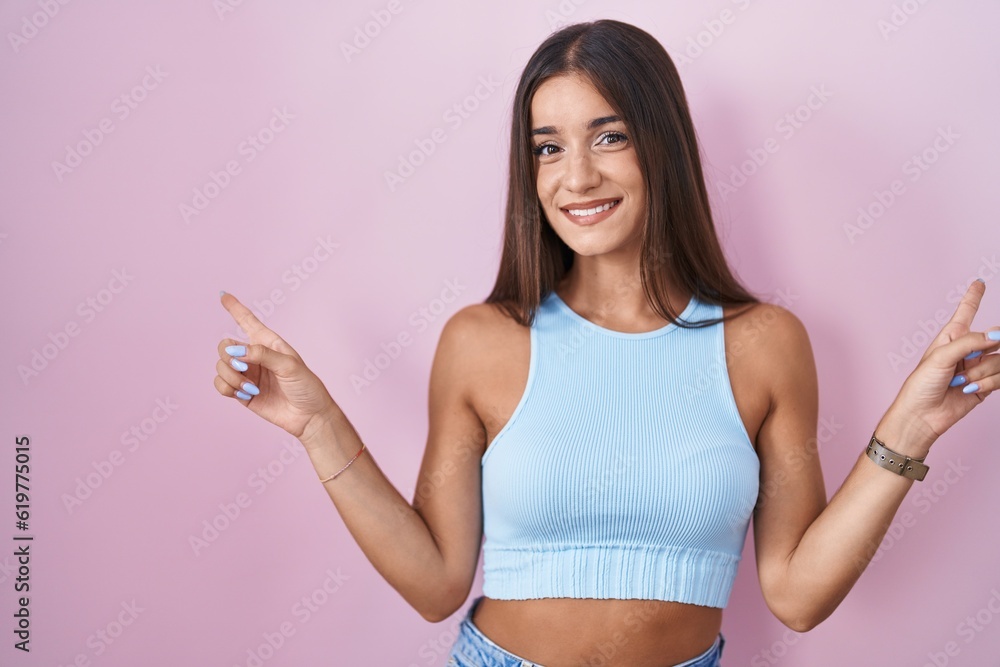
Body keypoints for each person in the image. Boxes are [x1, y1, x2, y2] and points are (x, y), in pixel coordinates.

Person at [212, 19, 999, 667]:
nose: (575, 176)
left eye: (609, 136)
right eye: (547, 146)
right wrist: (319, 426)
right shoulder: (482, 342)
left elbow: (795, 593)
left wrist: (911, 428)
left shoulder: (765, 344)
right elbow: (436, 580)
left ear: (663, 147)